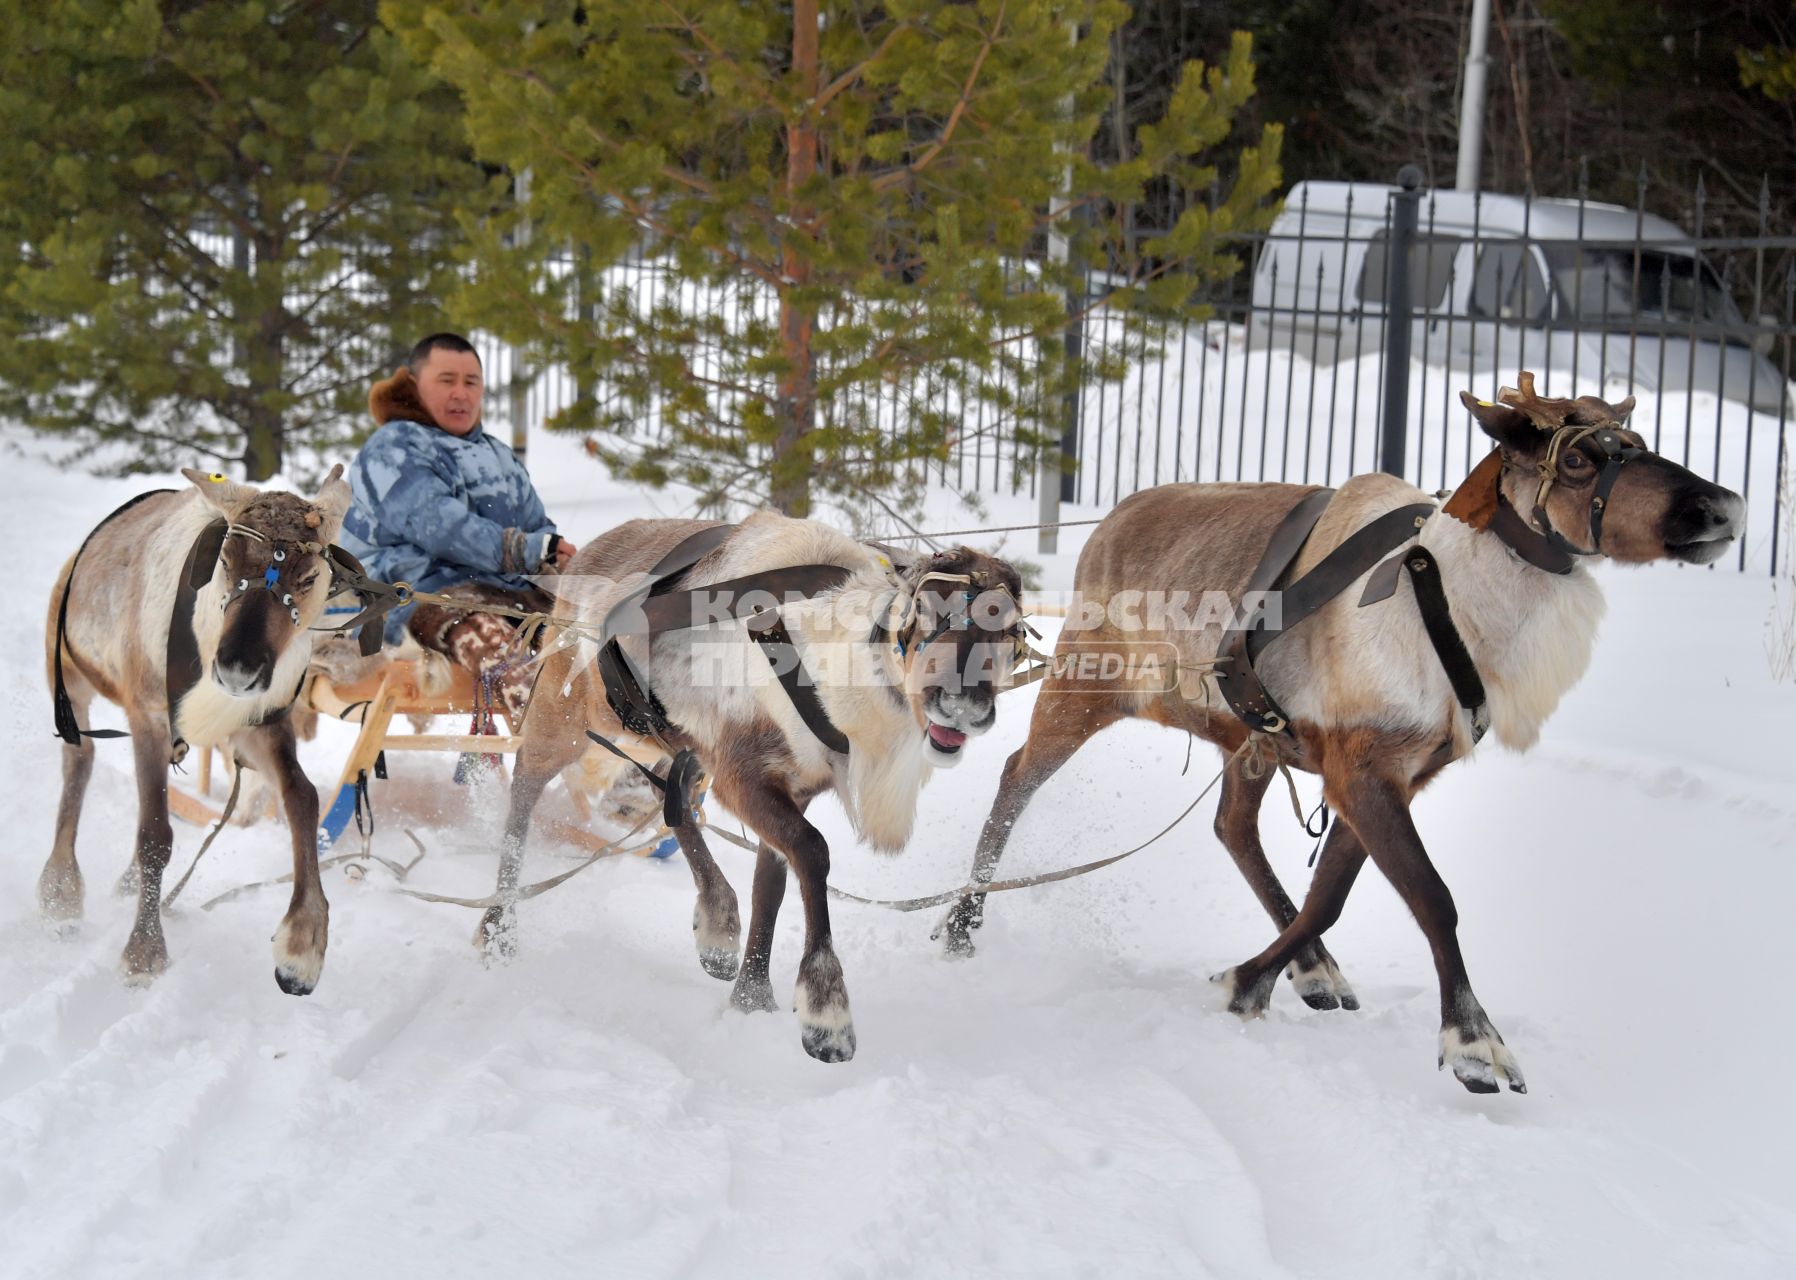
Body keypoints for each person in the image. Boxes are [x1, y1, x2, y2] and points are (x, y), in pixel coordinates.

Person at [340, 333, 577, 725]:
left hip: (503, 594)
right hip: (415, 597)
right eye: (446, 380)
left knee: (590, 655)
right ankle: (554, 745)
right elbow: (443, 527)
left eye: (471, 382)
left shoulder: (497, 454)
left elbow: (538, 528)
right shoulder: (393, 447)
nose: (461, 394)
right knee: (513, 663)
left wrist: (562, 562)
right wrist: (529, 550)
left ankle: (633, 771)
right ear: (414, 386)